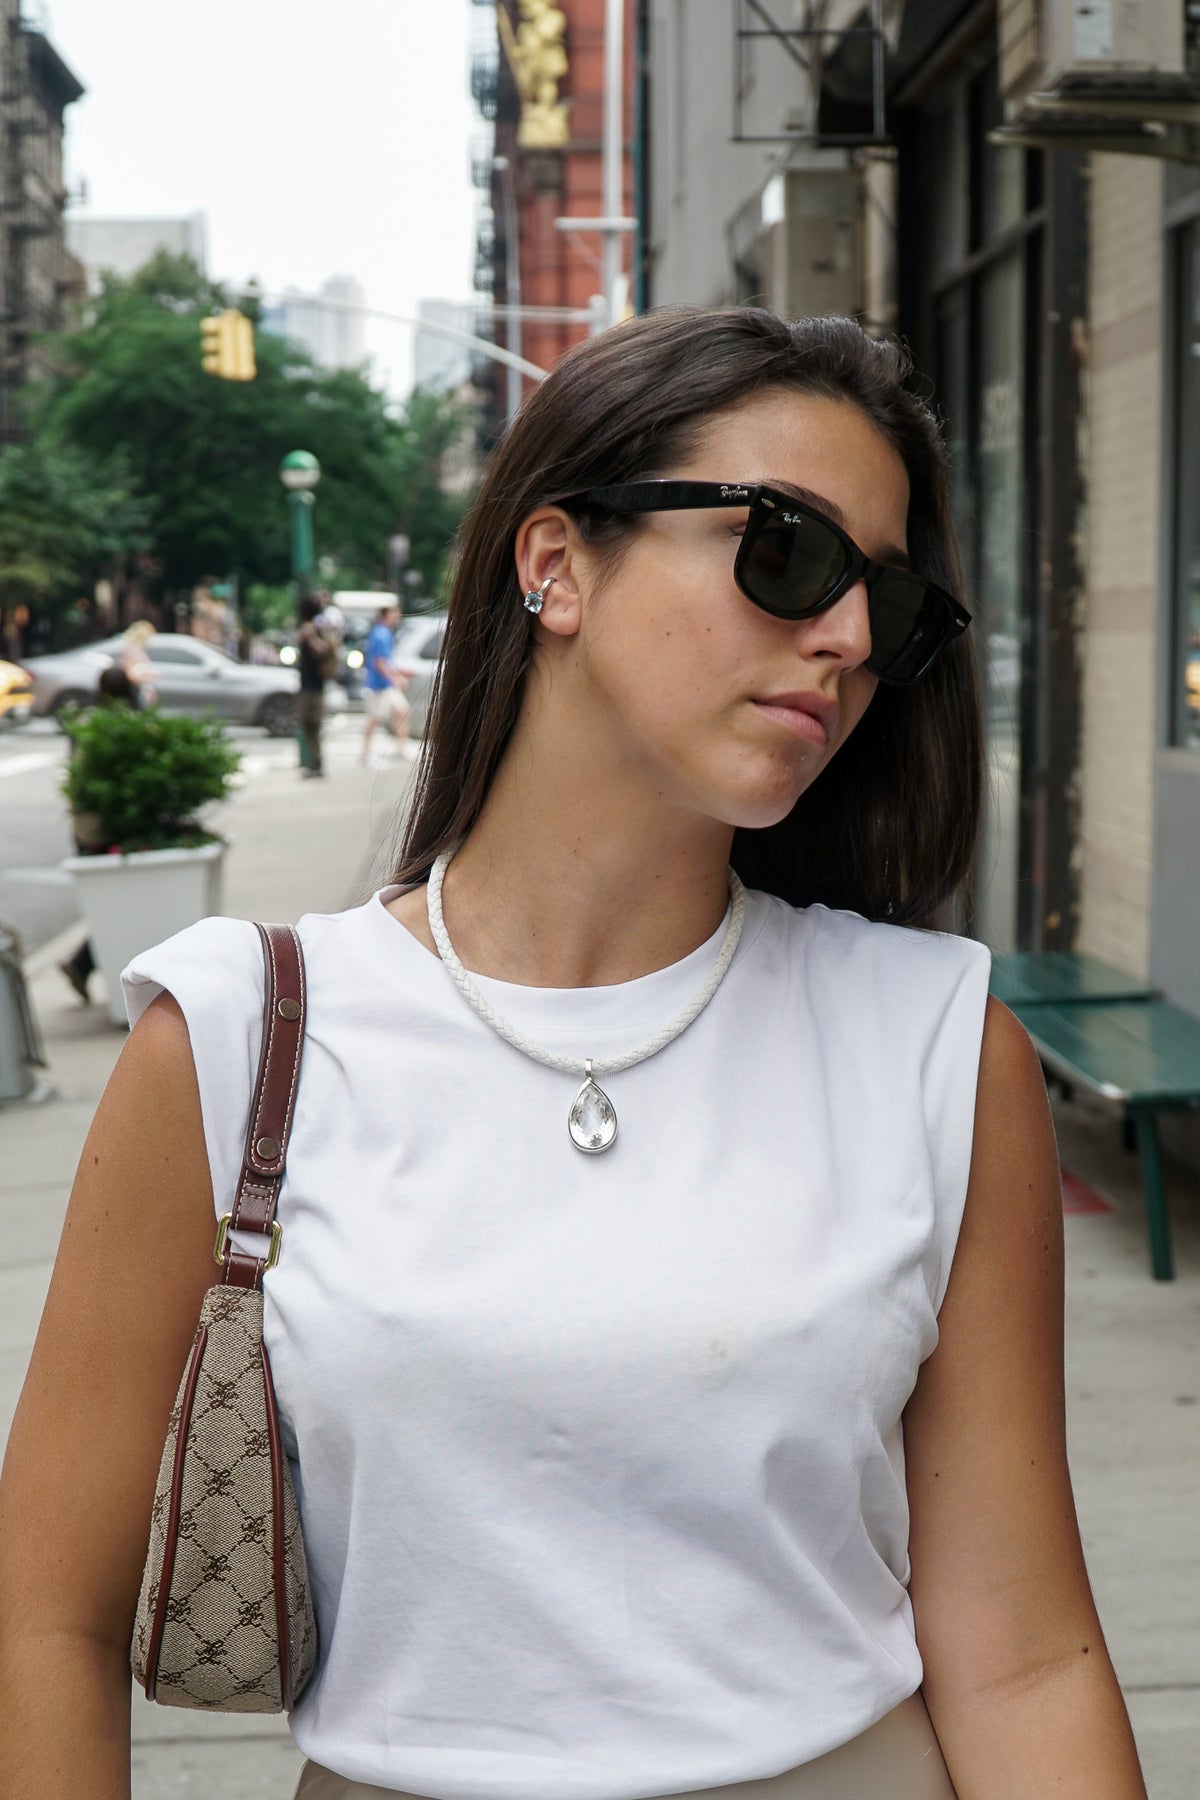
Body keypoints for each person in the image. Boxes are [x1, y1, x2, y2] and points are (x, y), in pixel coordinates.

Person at [0, 308, 1148, 1800]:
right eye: (788, 551)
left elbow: (1021, 1655)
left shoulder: (931, 1046)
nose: (852, 638)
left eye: (894, 605)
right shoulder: (236, 1039)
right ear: (555, 565)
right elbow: (44, 1617)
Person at [359, 601, 409, 767]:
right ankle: (365, 753)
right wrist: (395, 678)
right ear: (385, 615)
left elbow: (385, 661)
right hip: (379, 685)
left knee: (402, 711)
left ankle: (400, 749)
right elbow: (380, 662)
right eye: (394, 613)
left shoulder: (384, 633)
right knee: (375, 718)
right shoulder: (381, 634)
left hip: (386, 684)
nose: (397, 617)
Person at [296, 595, 337, 779]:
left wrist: (311, 637)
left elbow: (325, 651)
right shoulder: (306, 628)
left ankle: (316, 763)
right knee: (307, 724)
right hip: (306, 685)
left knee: (314, 724)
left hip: (316, 686)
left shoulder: (318, 629)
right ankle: (312, 762)